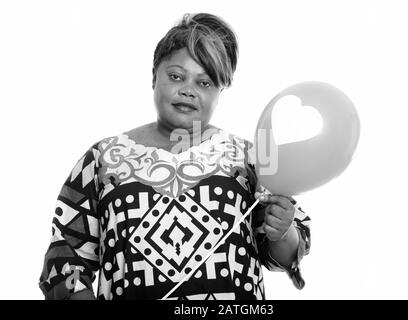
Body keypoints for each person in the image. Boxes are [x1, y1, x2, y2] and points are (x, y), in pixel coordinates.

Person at [38, 12, 311, 300]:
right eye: (176, 76)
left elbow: (285, 255)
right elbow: (65, 259)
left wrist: (283, 230)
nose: (188, 90)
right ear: (154, 75)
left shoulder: (251, 158)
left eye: (204, 83)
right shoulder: (102, 159)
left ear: (220, 92)